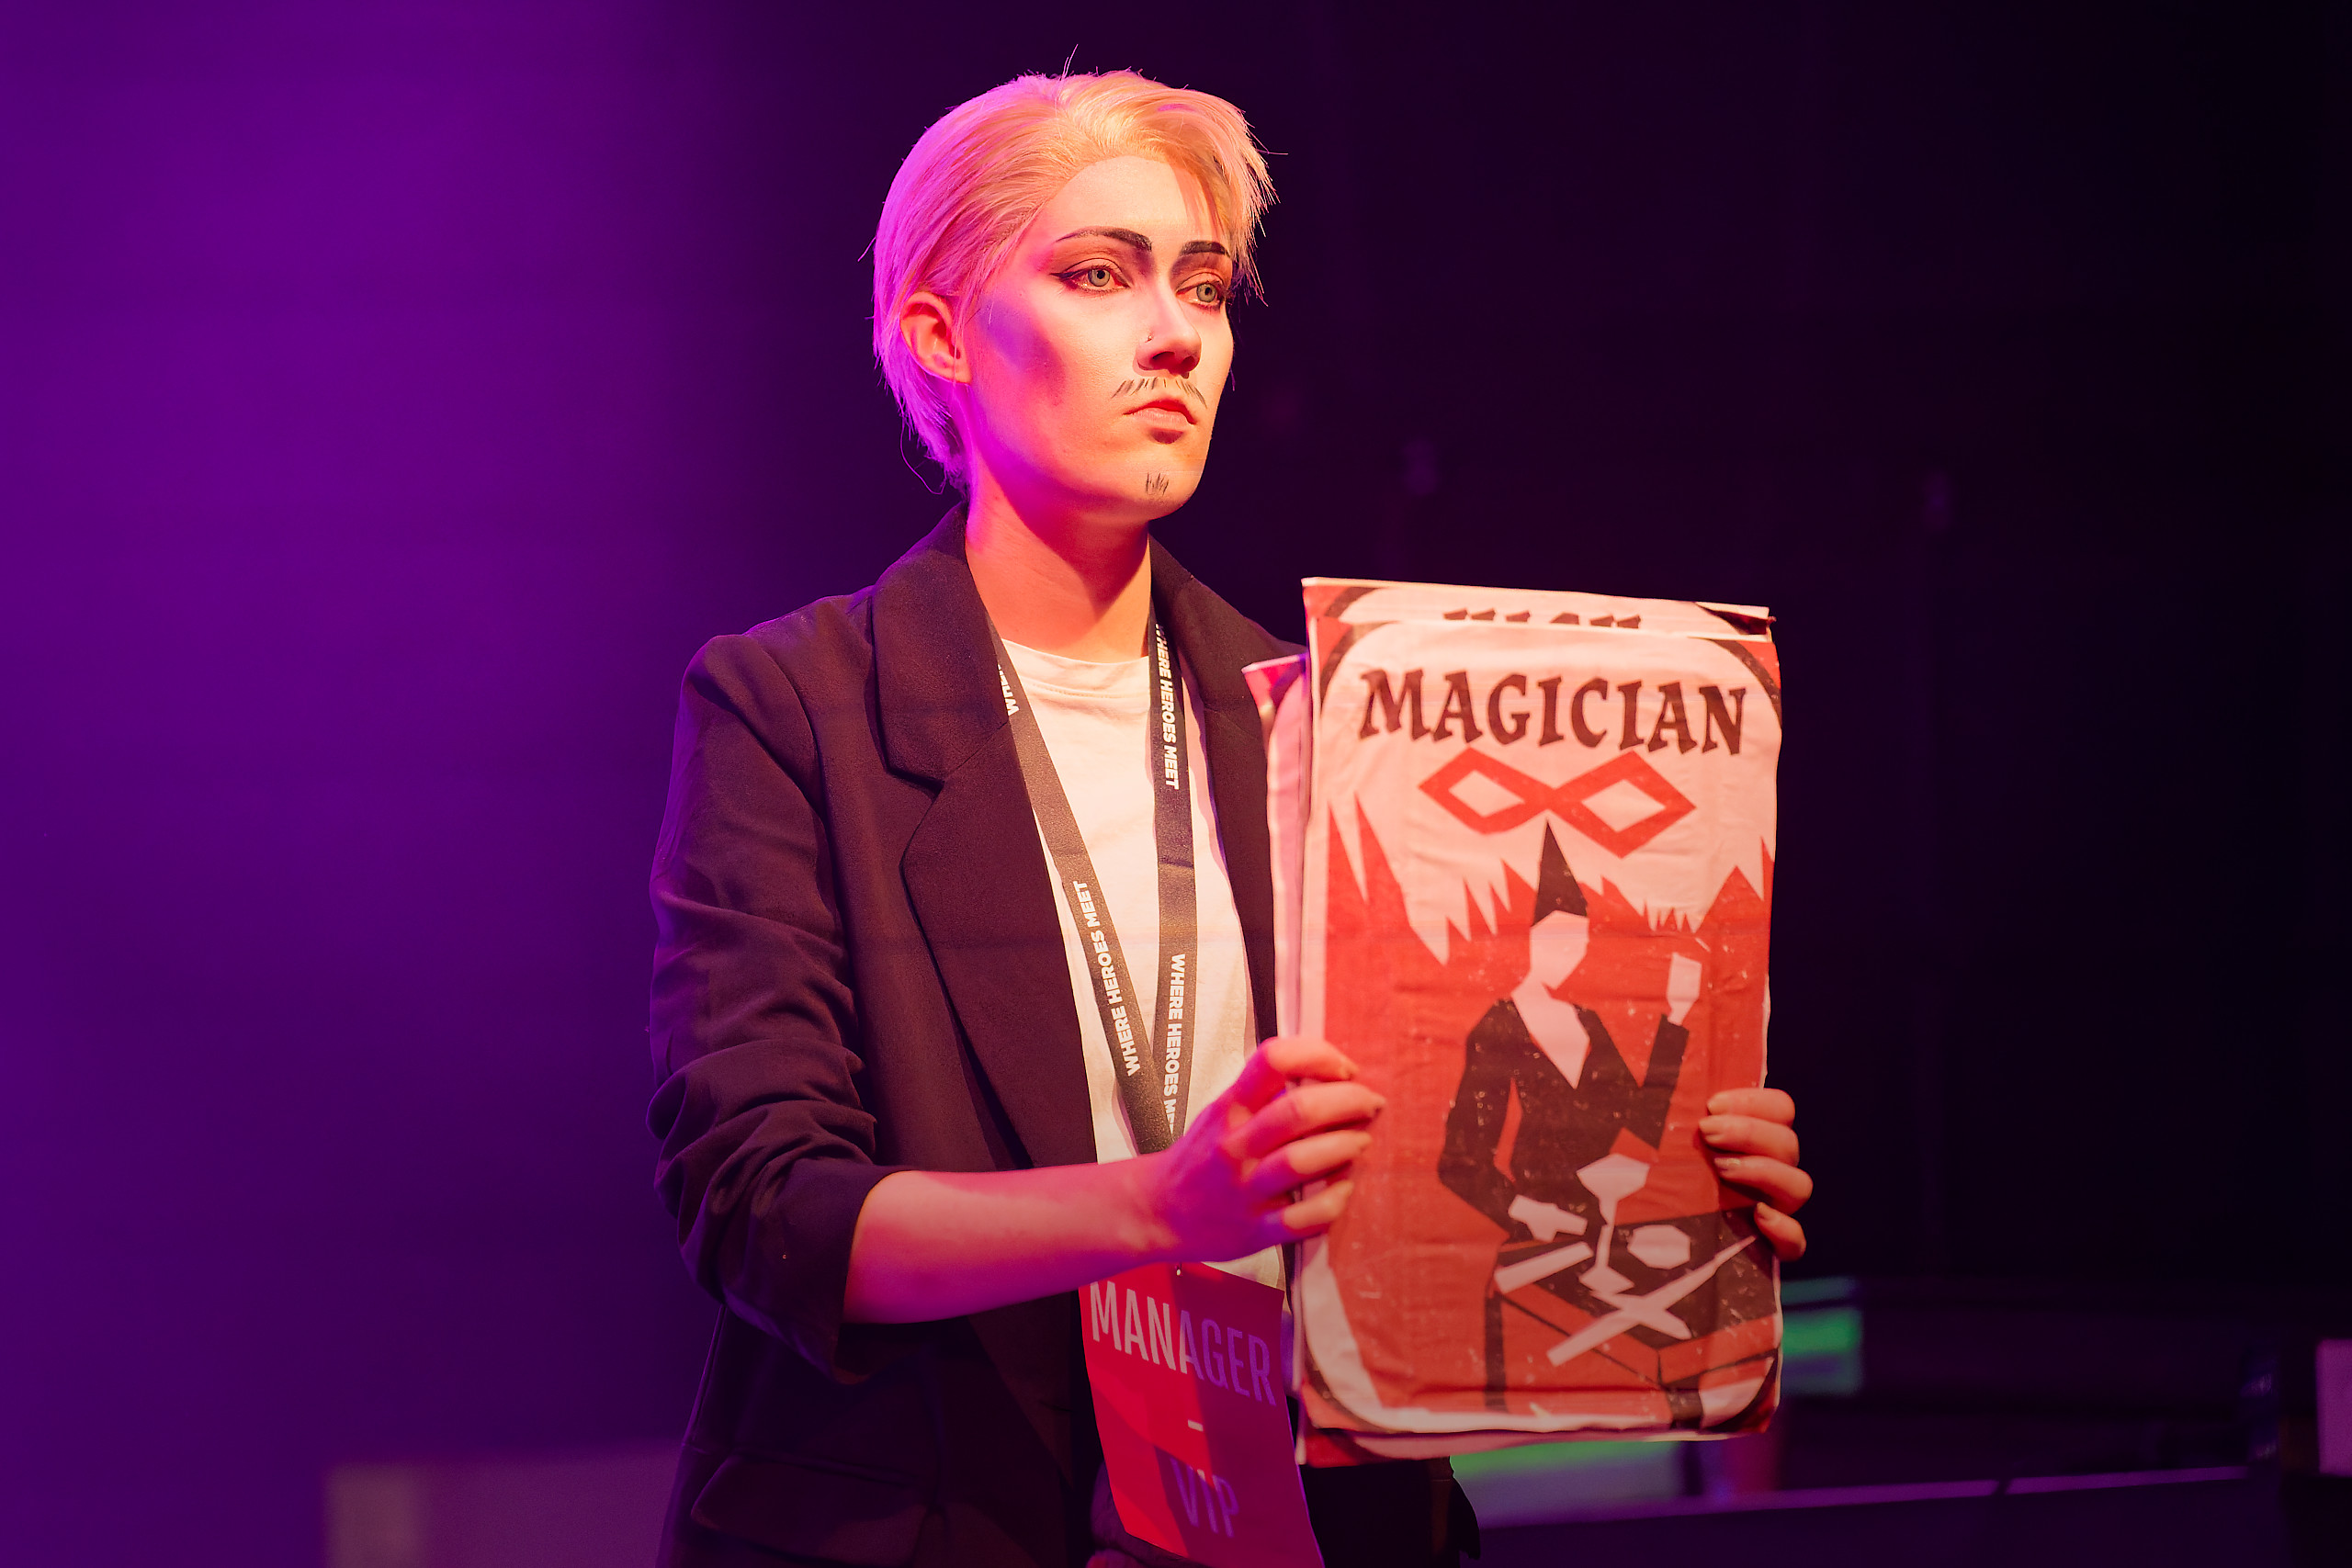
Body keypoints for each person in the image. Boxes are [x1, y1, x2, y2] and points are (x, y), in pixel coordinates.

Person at [647, 70, 1814, 1568]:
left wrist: (1674, 1179)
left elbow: (1453, 1175)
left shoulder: (1338, 715)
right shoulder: (792, 707)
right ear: (940, 335)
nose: (1178, 334)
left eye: (1202, 285)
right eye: (1097, 274)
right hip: (947, 1518)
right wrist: (1163, 1205)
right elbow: (764, 1205)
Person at [1439, 828, 1780, 1418]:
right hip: (1536, 1252)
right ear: (1528, 938)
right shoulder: (1498, 1026)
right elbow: (1460, 1161)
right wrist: (1524, 1209)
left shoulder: (1588, 1022)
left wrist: (1676, 1019)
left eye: (1578, 939)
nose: (1569, 953)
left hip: (1605, 1240)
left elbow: (1639, 1117)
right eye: (1557, 938)